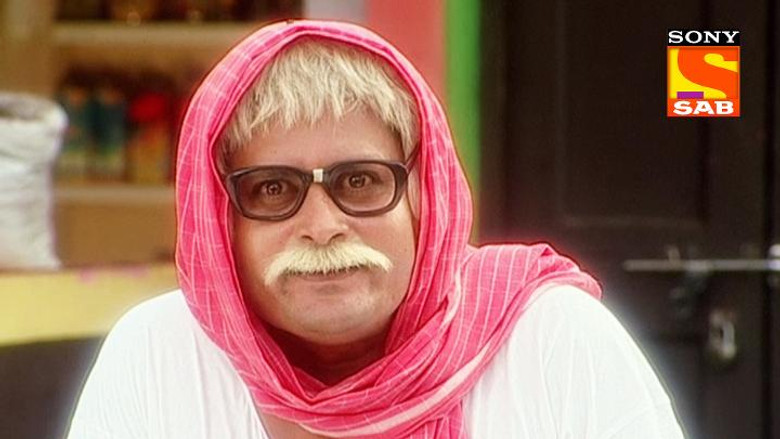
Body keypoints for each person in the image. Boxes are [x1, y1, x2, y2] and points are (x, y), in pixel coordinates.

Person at [66, 20, 685, 438]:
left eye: (359, 181)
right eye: (273, 189)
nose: (321, 227)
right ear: (219, 220)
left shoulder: (551, 340)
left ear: (425, 197)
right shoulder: (159, 354)